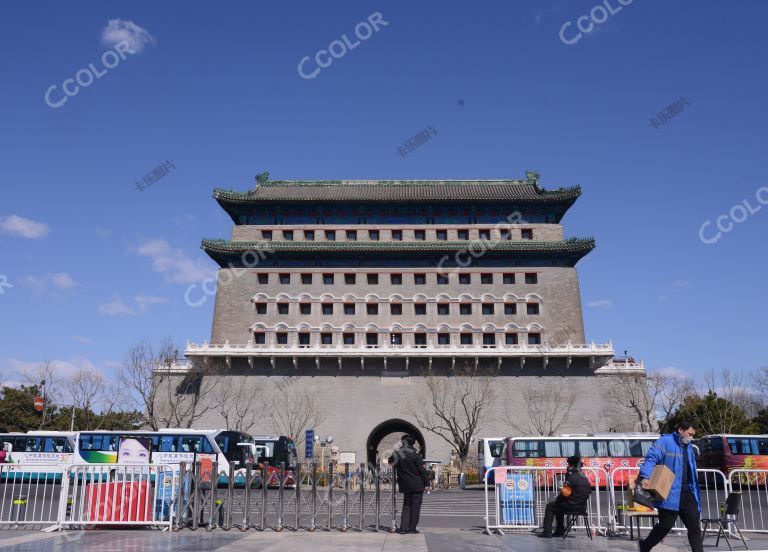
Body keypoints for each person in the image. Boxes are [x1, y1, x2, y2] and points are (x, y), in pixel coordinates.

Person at [637, 420, 702, 552]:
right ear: (680, 430)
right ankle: (645, 545)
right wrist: (645, 477)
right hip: (669, 493)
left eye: (693, 435)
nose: (691, 438)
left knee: (694, 526)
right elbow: (651, 458)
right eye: (689, 434)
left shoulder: (688, 446)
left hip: (687, 493)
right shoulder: (665, 442)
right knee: (666, 526)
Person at [538, 455, 592, 538]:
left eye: (568, 464)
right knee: (558, 507)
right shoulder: (584, 478)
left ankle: (547, 532)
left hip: (571, 506)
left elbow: (565, 494)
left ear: (571, 466)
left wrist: (558, 499)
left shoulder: (572, 477)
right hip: (582, 507)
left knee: (550, 506)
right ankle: (559, 531)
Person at [388, 434, 430, 534]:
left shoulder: (397, 453)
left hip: (405, 485)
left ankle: (403, 528)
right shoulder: (415, 454)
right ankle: (412, 528)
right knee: (415, 507)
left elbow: (390, 462)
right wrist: (427, 483)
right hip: (418, 485)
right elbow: (422, 471)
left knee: (406, 506)